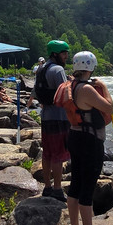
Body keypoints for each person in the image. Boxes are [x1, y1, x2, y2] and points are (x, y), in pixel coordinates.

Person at [63, 52, 113, 225]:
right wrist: (104, 87)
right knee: (87, 186)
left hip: (74, 137)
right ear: (90, 67)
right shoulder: (86, 89)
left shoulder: (71, 85)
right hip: (89, 141)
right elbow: (109, 108)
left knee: (76, 183)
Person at [34, 39, 70, 199]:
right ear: (56, 54)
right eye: (64, 53)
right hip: (59, 117)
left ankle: (47, 186)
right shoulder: (57, 70)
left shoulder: (41, 69)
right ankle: (57, 189)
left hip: (46, 116)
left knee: (47, 152)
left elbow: (36, 91)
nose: (66, 56)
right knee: (58, 154)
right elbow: (66, 95)